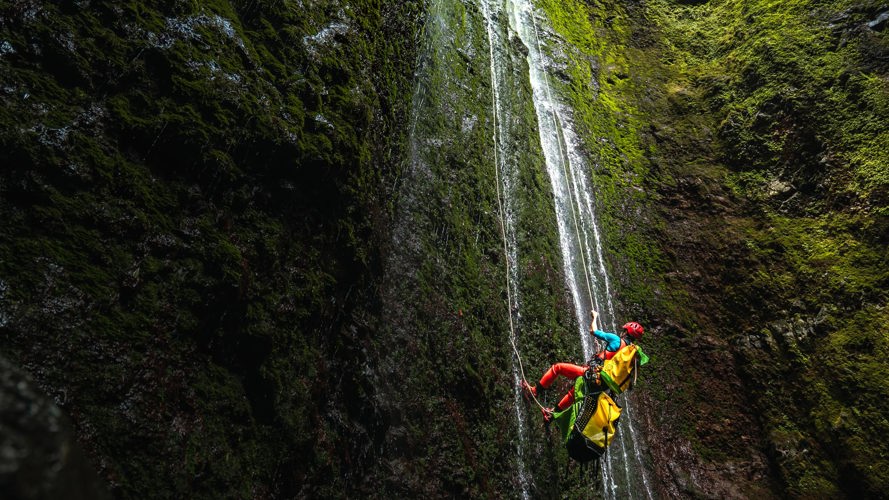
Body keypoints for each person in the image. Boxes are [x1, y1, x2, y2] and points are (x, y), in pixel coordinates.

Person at [522, 310, 644, 423]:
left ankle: (534, 391)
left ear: (626, 332)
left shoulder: (616, 340)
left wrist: (595, 317)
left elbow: (593, 331)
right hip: (602, 386)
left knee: (557, 368)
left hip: (592, 373)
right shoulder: (631, 356)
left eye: (624, 330)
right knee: (572, 393)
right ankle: (551, 415)